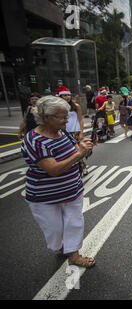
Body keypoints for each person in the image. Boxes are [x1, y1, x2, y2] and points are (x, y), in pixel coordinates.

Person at [21, 96, 95, 268]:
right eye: (62, 117)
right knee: (54, 229)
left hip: (72, 190)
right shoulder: (34, 140)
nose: (67, 120)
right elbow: (53, 169)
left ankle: (74, 254)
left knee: (74, 223)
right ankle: (64, 247)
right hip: (45, 196)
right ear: (46, 117)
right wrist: (79, 154)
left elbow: (73, 150)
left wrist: (82, 146)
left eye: (66, 116)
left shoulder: (63, 132)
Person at [58, 86, 88, 176]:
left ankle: (83, 167)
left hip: (74, 131)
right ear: (60, 97)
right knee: (66, 152)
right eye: (64, 95)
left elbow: (80, 120)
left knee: (76, 150)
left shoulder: (76, 106)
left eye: (68, 95)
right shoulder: (58, 107)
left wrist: (81, 132)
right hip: (62, 132)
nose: (67, 97)